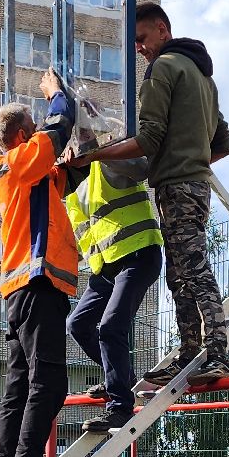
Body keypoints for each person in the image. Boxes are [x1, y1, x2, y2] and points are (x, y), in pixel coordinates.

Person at [62, 2, 229, 389]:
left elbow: (149, 139)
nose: (139, 48)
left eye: (141, 39)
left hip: (176, 186)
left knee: (192, 269)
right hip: (193, 184)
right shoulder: (203, 78)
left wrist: (96, 154)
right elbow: (221, 142)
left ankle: (217, 353)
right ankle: (192, 354)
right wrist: (192, 161)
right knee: (179, 273)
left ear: (161, 29)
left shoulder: (163, 69)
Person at [0, 69, 80, 457]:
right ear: (24, 134)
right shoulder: (23, 158)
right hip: (37, 283)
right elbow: (60, 124)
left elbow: (63, 177)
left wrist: (87, 158)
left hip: (17, 290)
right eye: (34, 132)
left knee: (18, 384)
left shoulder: (23, 173)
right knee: (51, 381)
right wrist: (55, 92)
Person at [63, 115, 163, 434]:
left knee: (109, 327)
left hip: (138, 253)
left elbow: (142, 168)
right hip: (106, 268)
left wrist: (97, 149)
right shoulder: (75, 188)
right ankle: (118, 379)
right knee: (77, 324)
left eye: (79, 140)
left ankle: (119, 406)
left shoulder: (108, 159)